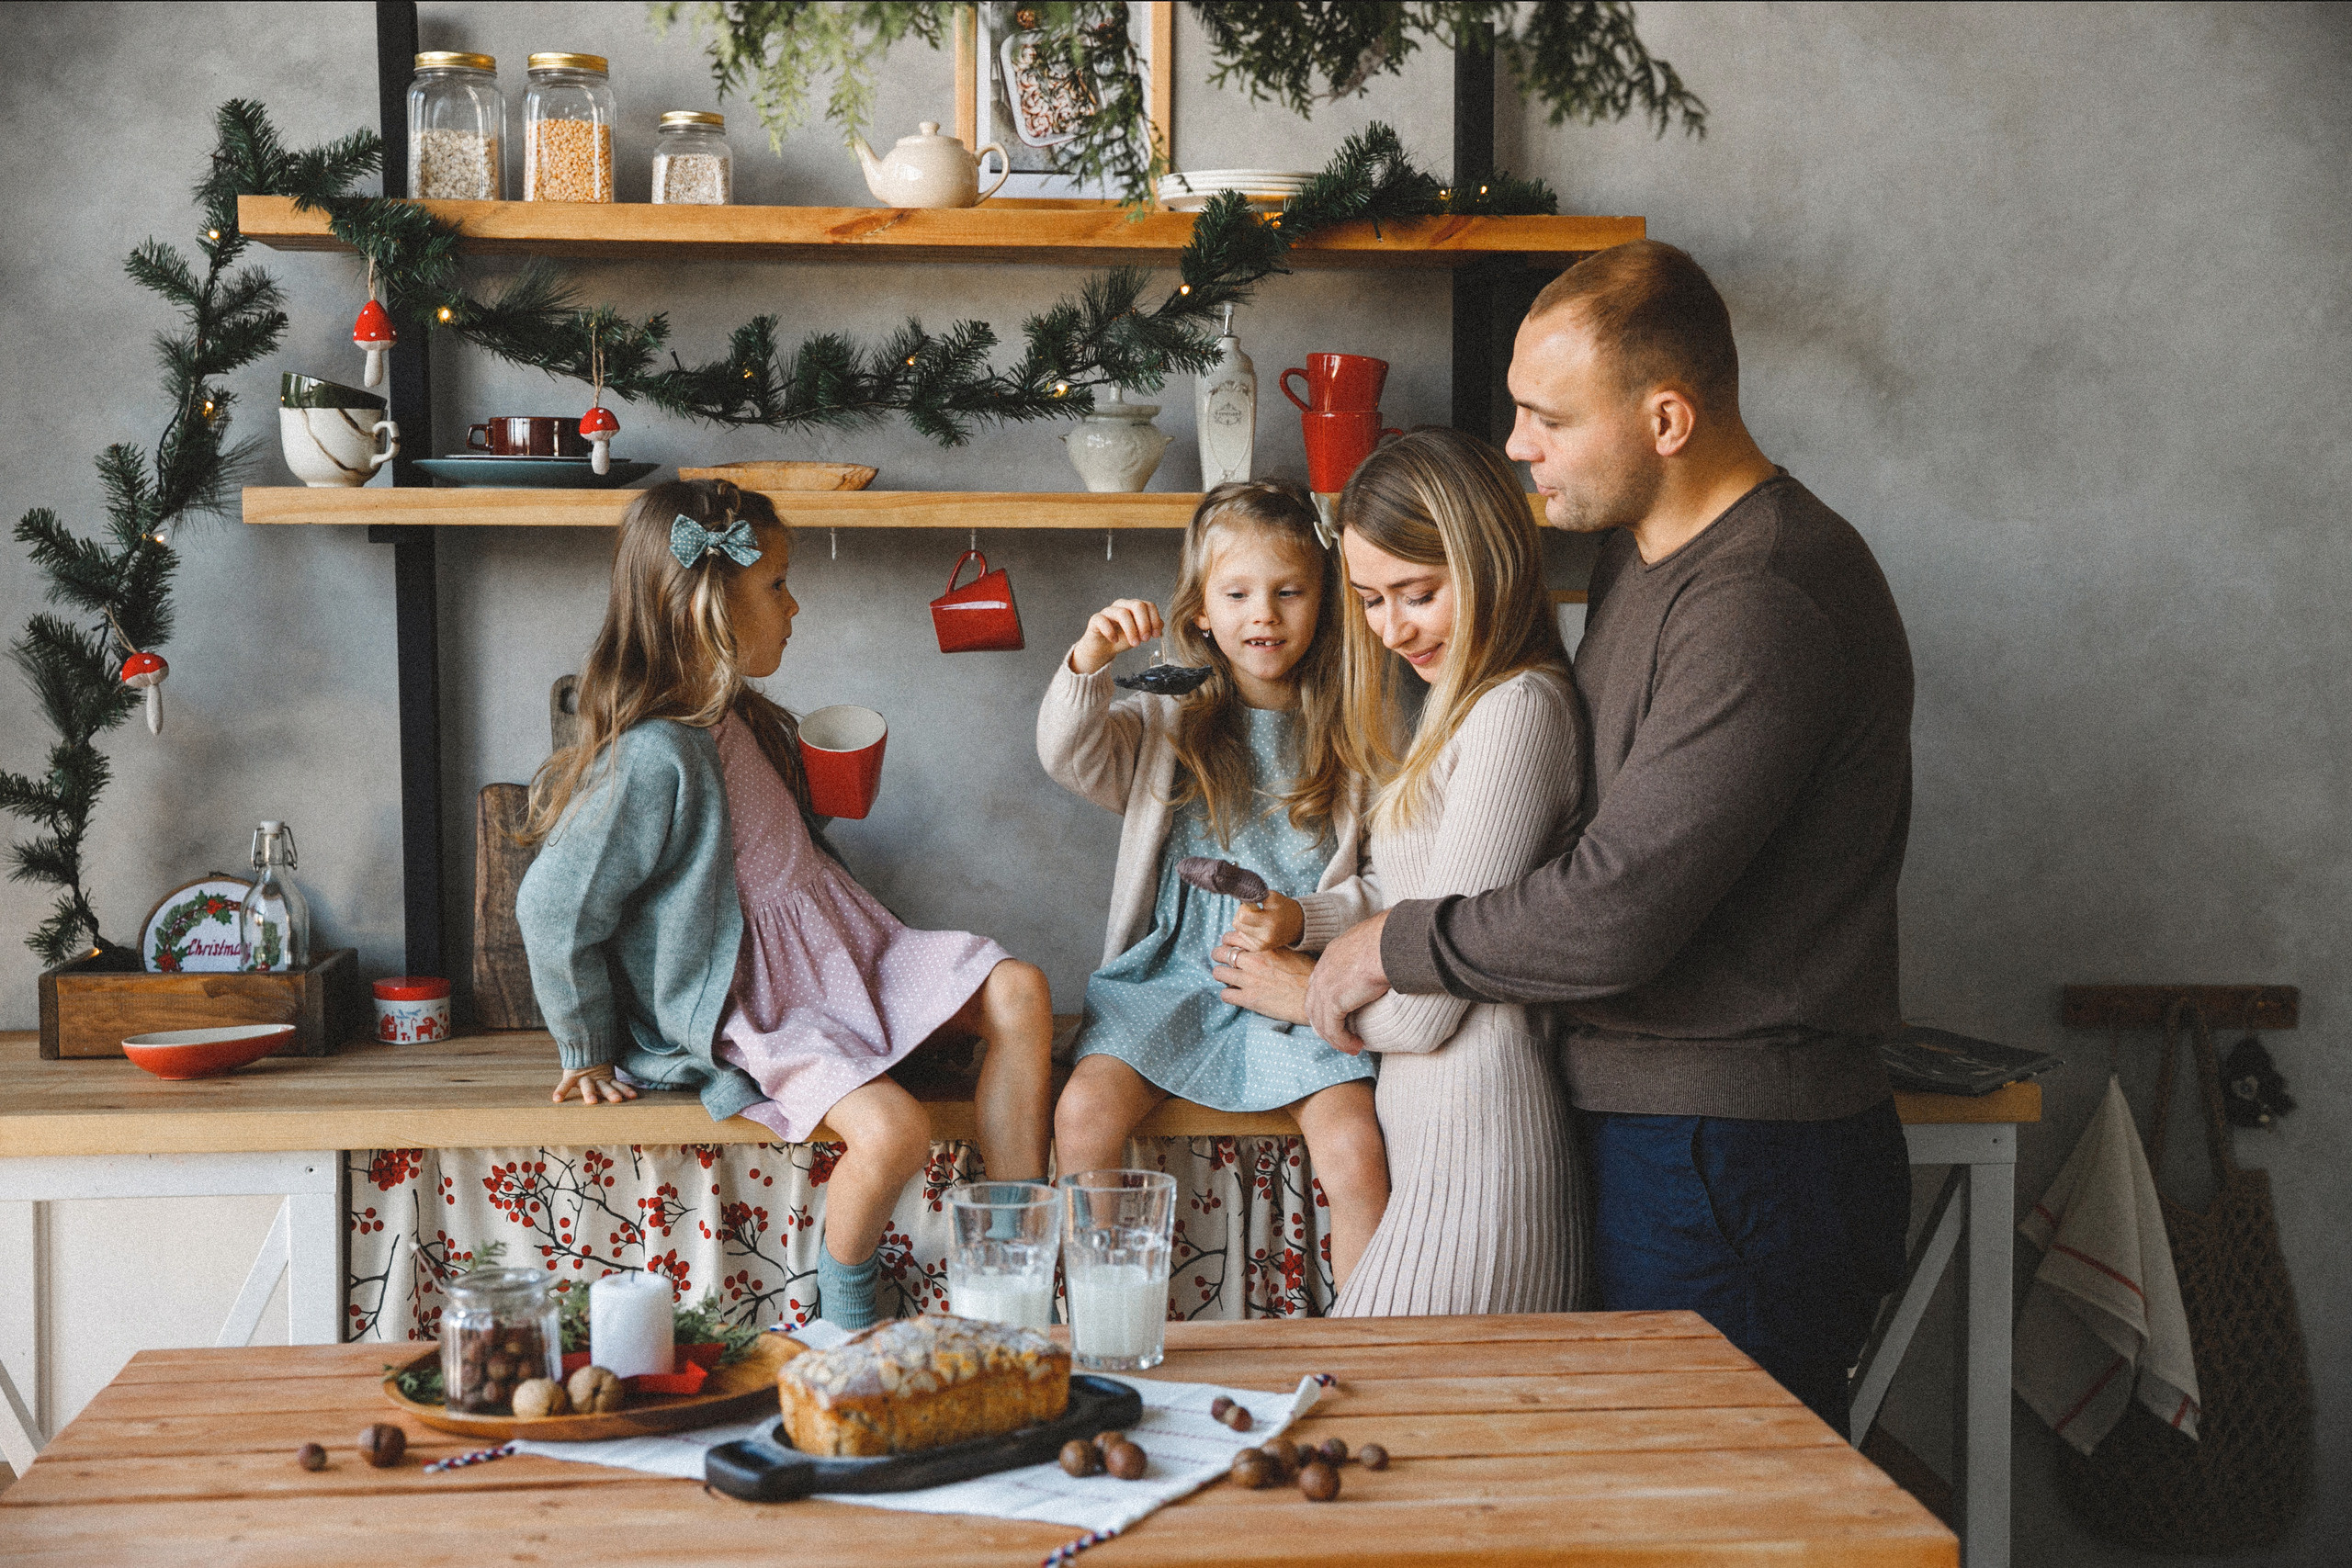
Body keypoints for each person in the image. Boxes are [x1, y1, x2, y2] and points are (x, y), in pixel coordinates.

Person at [1306, 241, 1914, 1429]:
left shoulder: (1762, 599)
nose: (1519, 444)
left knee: (1713, 1524)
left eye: (1548, 417)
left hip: (1736, 1155)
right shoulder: (1644, 552)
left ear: (1668, 417)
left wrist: (1386, 945)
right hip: (1665, 1138)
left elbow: (1618, 903)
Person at [515, 479, 1055, 1329]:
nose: (794, 606)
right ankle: (841, 1322)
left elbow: (765, 851)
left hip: (849, 949)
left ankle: (1016, 1263)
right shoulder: (654, 755)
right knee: (893, 1134)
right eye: (775, 585)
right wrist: (586, 1047)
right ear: (707, 605)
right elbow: (552, 906)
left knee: (1019, 987)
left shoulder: (740, 717)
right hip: (767, 1001)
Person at [1219, 429, 1589, 1315]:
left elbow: (1427, 1001)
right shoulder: (1455, 707)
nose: (1391, 629)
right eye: (1370, 600)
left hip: (1485, 1156)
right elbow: (1403, 894)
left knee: (1378, 1416)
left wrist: (1299, 990)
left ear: (1488, 560)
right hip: (1429, 1140)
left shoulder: (1520, 713)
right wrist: (1300, 917)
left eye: (1418, 594)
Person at [1038, 481, 1390, 1291]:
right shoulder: (1170, 711)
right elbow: (1072, 756)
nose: (1262, 614)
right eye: (1237, 593)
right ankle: (1104, 1321)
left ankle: (1379, 1345)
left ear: (1324, 600)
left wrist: (1303, 923)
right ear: (1200, 610)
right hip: (1172, 973)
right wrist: (1089, 663)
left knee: (1356, 1150)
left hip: (1296, 982)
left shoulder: (1354, 722)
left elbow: (1382, 884)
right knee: (1083, 1114)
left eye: (1289, 591)